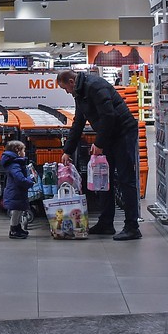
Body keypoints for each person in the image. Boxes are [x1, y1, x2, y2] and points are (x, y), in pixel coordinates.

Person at [57, 68, 141, 240]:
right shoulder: (80, 93)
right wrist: (67, 150)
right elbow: (78, 122)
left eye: (65, 88)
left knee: (126, 179)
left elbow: (109, 115)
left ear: (71, 82)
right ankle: (106, 223)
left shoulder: (95, 86)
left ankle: (132, 227)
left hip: (123, 132)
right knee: (103, 179)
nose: (66, 91)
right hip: (109, 134)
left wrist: (99, 143)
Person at [0, 139, 34, 239]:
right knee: (16, 212)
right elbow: (20, 179)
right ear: (17, 151)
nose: (25, 153)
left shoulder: (15, 163)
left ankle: (17, 228)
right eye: (23, 150)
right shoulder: (14, 165)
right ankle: (14, 230)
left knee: (19, 210)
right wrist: (29, 181)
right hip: (15, 192)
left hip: (16, 191)